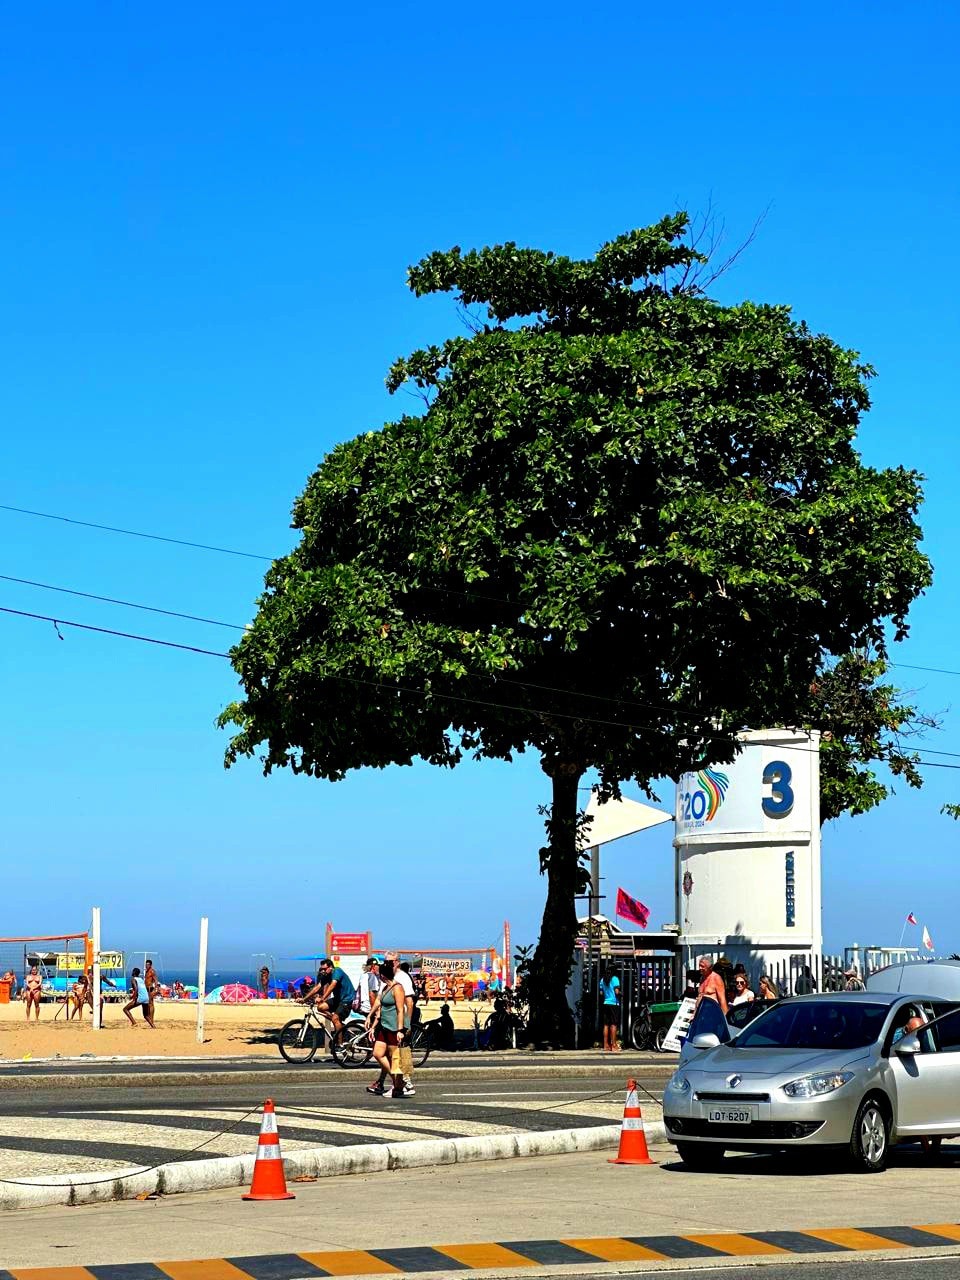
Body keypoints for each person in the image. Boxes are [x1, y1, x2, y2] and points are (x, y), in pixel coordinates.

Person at [364, 958, 406, 1098]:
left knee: (394, 1057)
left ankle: (398, 1086)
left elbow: (400, 1010)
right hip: (384, 1026)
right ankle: (398, 1082)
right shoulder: (385, 988)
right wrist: (370, 1017)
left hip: (394, 1027)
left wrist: (400, 1030)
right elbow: (378, 1003)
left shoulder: (397, 988)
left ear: (382, 975)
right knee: (378, 1053)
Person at [302, 957, 356, 1038]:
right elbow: (317, 988)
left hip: (347, 999)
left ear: (331, 967)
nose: (323, 971)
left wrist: (322, 998)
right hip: (338, 999)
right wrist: (304, 999)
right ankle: (338, 1023)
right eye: (321, 969)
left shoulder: (337, 971)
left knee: (335, 1019)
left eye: (324, 969)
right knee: (320, 1007)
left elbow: (332, 985)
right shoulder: (326, 976)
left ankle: (339, 1045)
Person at [599, 965, 621, 1052]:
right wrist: (620, 993)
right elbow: (616, 992)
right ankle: (614, 1045)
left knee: (606, 1024)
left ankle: (605, 1045)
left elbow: (601, 993)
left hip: (605, 1003)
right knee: (614, 1024)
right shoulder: (615, 979)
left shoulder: (602, 980)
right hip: (614, 1003)